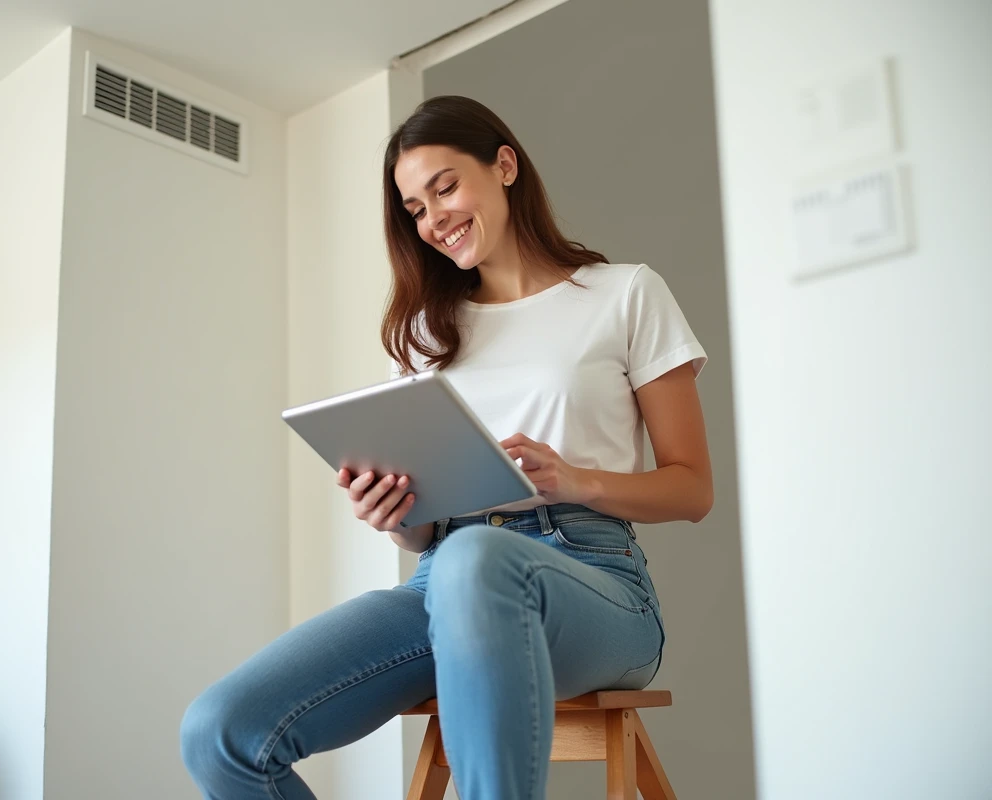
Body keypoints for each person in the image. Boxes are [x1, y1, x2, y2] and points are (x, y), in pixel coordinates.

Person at [180, 95, 713, 800]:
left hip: (595, 581)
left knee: (473, 558)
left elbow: (691, 488)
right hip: (444, 579)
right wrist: (395, 514)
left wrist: (577, 480)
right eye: (415, 209)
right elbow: (427, 534)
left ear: (504, 166)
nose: (433, 219)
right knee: (222, 732)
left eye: (444, 187)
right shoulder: (430, 334)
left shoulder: (623, 295)